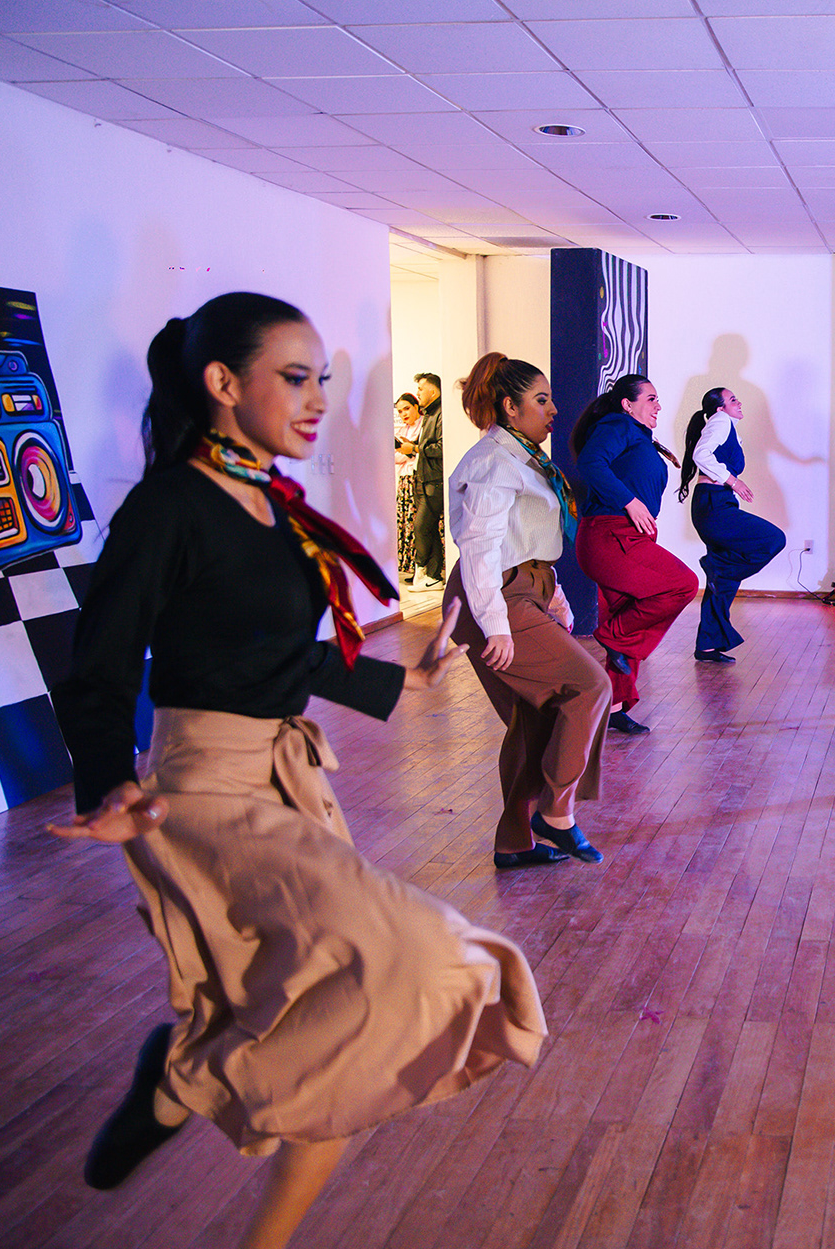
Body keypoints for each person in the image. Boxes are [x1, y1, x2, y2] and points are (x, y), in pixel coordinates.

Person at [49, 293, 546, 1249]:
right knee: (418, 955)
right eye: (294, 378)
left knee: (334, 1034)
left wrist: (402, 676)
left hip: (289, 772)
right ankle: (187, 1077)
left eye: (323, 378)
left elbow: (274, 650)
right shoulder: (169, 507)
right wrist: (112, 782)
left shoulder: (272, 503)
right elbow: (98, 662)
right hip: (202, 788)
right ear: (222, 383)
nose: (319, 399)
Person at [445, 353, 609, 869]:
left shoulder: (525, 458)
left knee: (534, 718)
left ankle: (514, 844)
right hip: (492, 595)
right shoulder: (493, 462)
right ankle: (555, 814)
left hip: (521, 589)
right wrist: (496, 625)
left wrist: (552, 592)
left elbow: (526, 539)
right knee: (590, 686)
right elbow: (479, 547)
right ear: (510, 408)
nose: (553, 410)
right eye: (541, 400)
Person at [571, 374, 698, 735]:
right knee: (683, 585)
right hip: (611, 536)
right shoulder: (618, 425)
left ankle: (613, 708)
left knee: (629, 619)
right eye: (651, 399)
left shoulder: (639, 436)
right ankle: (612, 637)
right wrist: (629, 501)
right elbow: (591, 463)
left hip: (626, 536)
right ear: (628, 404)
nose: (659, 405)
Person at [677, 386, 785, 662]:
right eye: (733, 400)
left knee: (722, 584)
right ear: (720, 408)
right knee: (774, 539)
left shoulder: (728, 427)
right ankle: (719, 570)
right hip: (713, 505)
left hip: (716, 503)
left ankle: (707, 645)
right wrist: (733, 481)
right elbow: (701, 455)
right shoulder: (720, 421)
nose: (739, 402)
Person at [409, 371, 445, 588]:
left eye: (421, 389)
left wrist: (415, 448)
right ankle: (432, 575)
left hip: (434, 480)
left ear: (433, 391)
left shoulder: (441, 413)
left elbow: (441, 447)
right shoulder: (430, 414)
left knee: (421, 526)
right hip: (424, 478)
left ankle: (425, 570)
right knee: (428, 528)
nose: (418, 393)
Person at [393, 392, 422, 578]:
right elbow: (396, 456)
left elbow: (421, 451)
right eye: (400, 411)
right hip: (404, 480)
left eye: (406, 409)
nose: (404, 414)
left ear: (416, 407)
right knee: (406, 522)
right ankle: (410, 566)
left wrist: (411, 449)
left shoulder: (424, 426)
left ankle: (423, 567)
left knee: (419, 523)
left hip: (418, 478)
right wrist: (409, 451)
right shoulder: (401, 431)